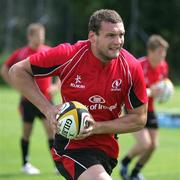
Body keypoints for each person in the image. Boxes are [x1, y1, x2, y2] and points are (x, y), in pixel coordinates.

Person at [9, 9, 148, 180]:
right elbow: (17, 71)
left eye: (121, 35)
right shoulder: (69, 55)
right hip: (71, 146)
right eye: (111, 35)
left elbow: (139, 119)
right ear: (92, 36)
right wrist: (47, 109)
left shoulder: (131, 67)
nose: (118, 41)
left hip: (107, 150)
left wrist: (96, 127)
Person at [0, 23, 56, 175]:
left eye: (43, 35)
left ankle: (57, 165)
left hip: (46, 101)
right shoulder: (22, 53)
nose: (41, 38)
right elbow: (5, 69)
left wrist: (56, 87)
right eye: (38, 35)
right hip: (28, 101)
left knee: (52, 133)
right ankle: (25, 164)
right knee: (26, 133)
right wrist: (15, 85)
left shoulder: (49, 51)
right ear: (30, 36)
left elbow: (63, 70)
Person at [120, 35, 169, 180]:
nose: (163, 56)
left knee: (153, 145)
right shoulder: (139, 65)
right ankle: (124, 163)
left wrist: (165, 90)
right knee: (145, 143)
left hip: (151, 109)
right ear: (150, 52)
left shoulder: (163, 66)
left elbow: (164, 83)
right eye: (160, 52)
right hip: (134, 109)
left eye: (164, 52)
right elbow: (127, 90)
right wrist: (150, 91)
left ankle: (135, 173)